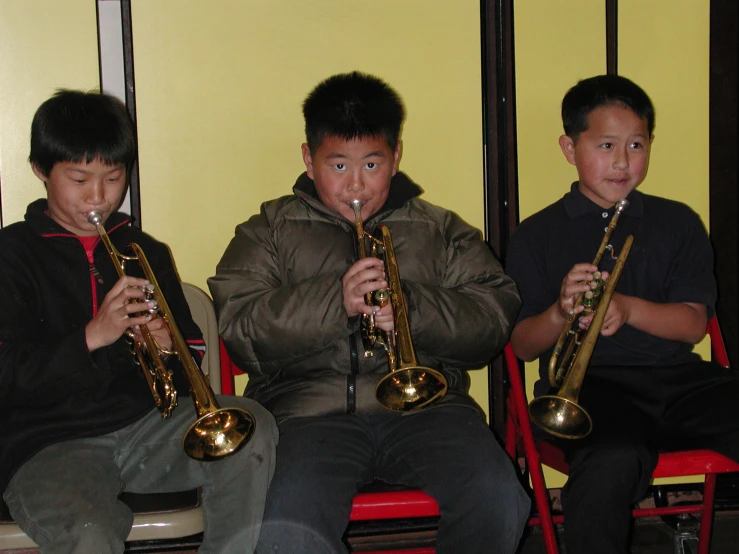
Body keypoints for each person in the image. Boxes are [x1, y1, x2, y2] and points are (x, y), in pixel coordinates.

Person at [208, 71, 529, 554]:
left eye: (372, 164)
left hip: (429, 411)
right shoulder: (267, 230)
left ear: (396, 157)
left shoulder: (440, 230)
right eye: (338, 165)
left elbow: (491, 321)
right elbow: (240, 330)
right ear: (308, 159)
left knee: (501, 499)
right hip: (306, 416)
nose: (355, 183)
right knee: (286, 527)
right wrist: (333, 301)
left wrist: (412, 309)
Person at [0, 90, 278, 554]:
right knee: (89, 532)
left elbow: (192, 362)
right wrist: (92, 337)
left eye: (113, 178)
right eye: (79, 179)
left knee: (253, 429)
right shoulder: (11, 256)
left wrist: (169, 346)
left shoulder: (144, 250)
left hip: (149, 427)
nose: (99, 197)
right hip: (48, 444)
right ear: (39, 170)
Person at [506, 74, 739, 554]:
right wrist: (559, 312)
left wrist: (628, 309)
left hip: (676, 382)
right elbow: (523, 344)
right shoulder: (536, 235)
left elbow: (694, 323)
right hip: (590, 388)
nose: (622, 161)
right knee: (611, 458)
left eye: (637, 144)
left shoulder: (677, 222)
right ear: (570, 149)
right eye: (606, 145)